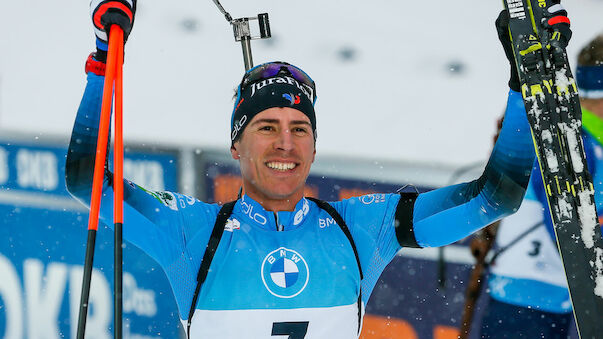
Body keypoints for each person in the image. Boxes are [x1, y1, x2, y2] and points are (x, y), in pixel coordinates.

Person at [66, 1, 570, 338]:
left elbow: (493, 199)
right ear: (236, 144)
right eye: (266, 126)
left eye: (299, 127)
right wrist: (105, 56)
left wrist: (526, 82)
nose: (285, 142)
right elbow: (84, 178)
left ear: (313, 145)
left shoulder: (359, 230)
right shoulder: (191, 232)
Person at [478, 33, 603, 339]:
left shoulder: (579, 134)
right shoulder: (570, 138)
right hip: (529, 301)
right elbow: (569, 229)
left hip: (545, 298)